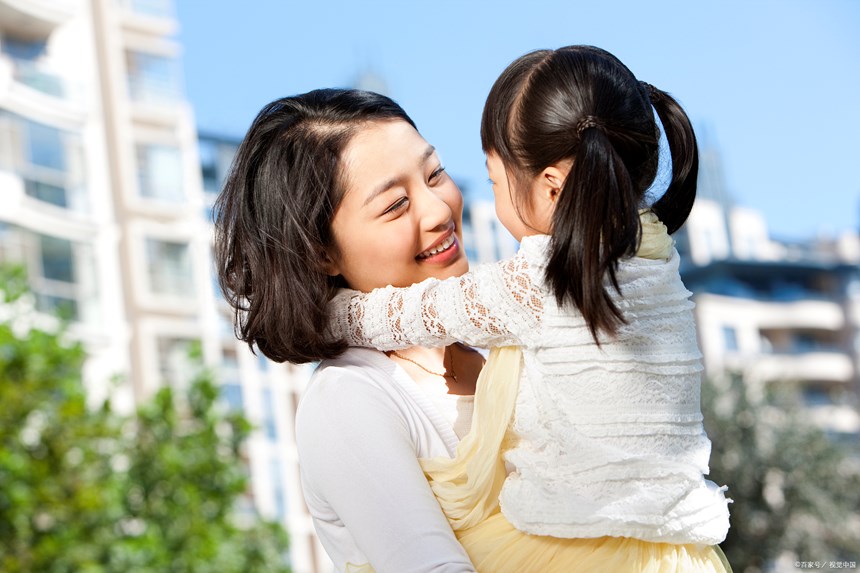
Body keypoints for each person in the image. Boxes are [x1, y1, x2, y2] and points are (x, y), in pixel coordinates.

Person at [328, 45, 732, 572]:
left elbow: (417, 313)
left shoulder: (540, 282)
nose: (443, 208)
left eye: (494, 181)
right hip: (679, 552)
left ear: (551, 188)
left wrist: (328, 312)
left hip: (577, 547)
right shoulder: (656, 259)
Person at [213, 89, 484, 572]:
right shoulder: (347, 398)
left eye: (435, 175)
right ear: (321, 252)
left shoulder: (501, 338)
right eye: (396, 205)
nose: (439, 211)